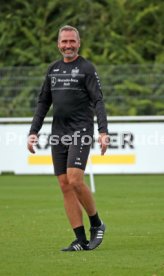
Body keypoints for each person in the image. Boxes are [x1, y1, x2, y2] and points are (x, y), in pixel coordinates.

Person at [27, 25, 109, 251]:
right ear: (58, 44)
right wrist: (33, 131)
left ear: (79, 43)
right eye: (64, 42)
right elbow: (43, 102)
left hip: (81, 130)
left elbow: (98, 101)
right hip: (58, 133)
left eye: (72, 41)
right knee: (64, 185)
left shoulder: (87, 68)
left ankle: (97, 223)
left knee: (74, 179)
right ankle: (80, 239)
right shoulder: (53, 70)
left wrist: (103, 131)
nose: (68, 45)